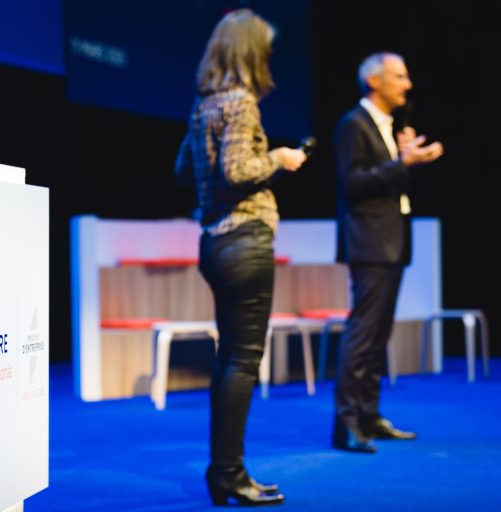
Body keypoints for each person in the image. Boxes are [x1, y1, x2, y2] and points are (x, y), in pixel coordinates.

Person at [174, 8, 306, 507]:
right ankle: (229, 474)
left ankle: (224, 472)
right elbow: (236, 170)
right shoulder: (242, 102)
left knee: (230, 361)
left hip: (213, 241)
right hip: (245, 238)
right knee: (242, 362)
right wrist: (281, 159)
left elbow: (184, 169)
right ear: (251, 51)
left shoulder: (203, 104)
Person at [332, 52, 444, 453]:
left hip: (391, 241)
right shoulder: (353, 124)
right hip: (369, 243)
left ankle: (369, 415)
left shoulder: (384, 125)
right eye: (400, 76)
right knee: (363, 334)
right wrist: (402, 164)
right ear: (374, 82)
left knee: (378, 337)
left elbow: (382, 179)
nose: (407, 84)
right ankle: (346, 423)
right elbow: (352, 184)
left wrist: (407, 160)